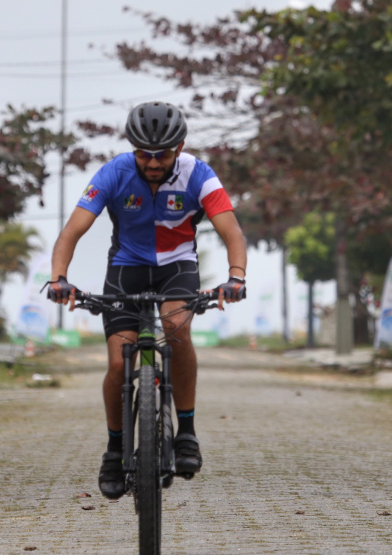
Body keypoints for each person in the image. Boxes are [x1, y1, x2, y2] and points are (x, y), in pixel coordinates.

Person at [46, 101, 247, 499]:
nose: (153, 163)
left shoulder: (199, 174)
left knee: (175, 327)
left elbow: (233, 233)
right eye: (144, 154)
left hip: (177, 267)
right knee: (120, 363)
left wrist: (235, 277)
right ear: (132, 148)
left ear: (180, 147)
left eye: (162, 155)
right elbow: (71, 232)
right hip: (126, 268)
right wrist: (59, 278)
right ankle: (114, 450)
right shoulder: (114, 173)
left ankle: (186, 431)